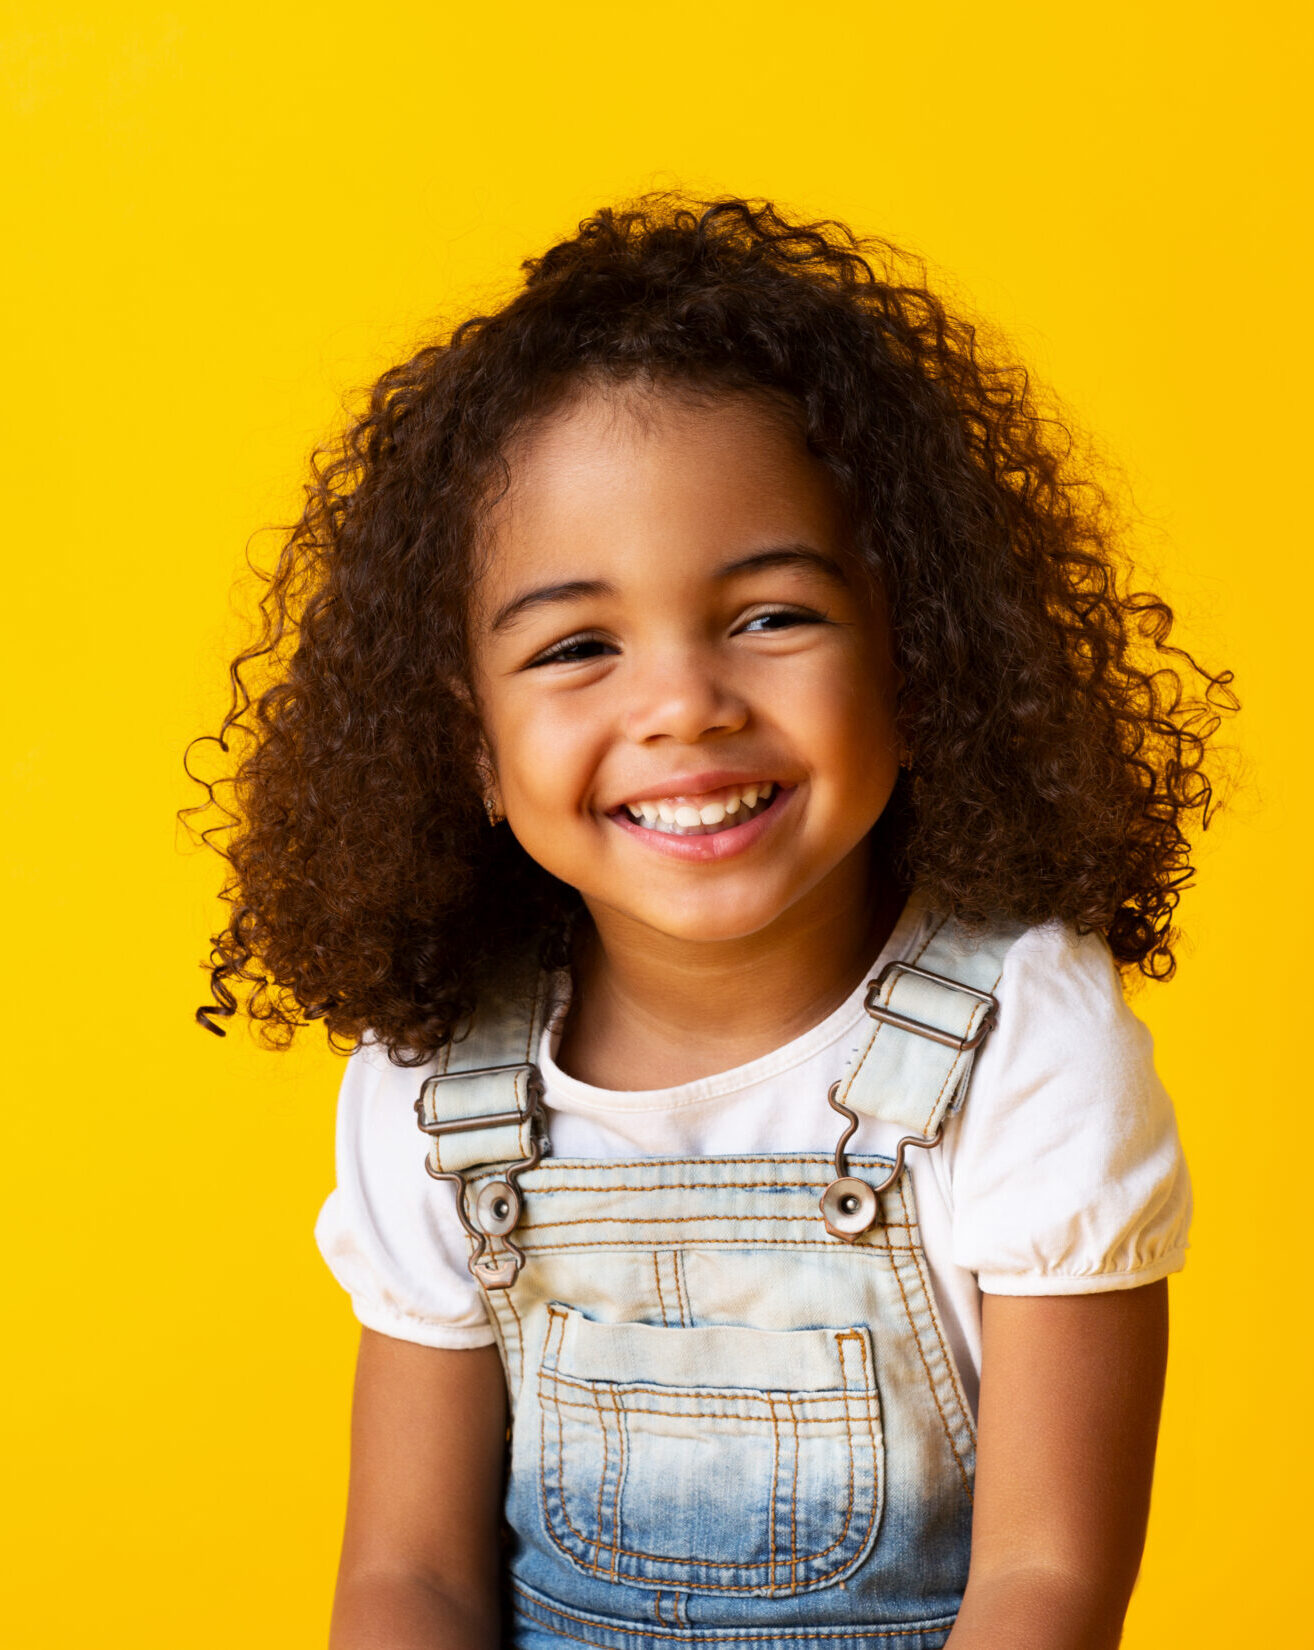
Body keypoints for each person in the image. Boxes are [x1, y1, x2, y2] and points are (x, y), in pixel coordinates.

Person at [185, 193, 1235, 1649]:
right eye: (576, 646)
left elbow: (1043, 1585)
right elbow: (407, 1577)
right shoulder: (438, 1081)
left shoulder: (1023, 1049)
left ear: (915, 654)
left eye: (768, 616)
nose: (683, 703)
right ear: (472, 746)